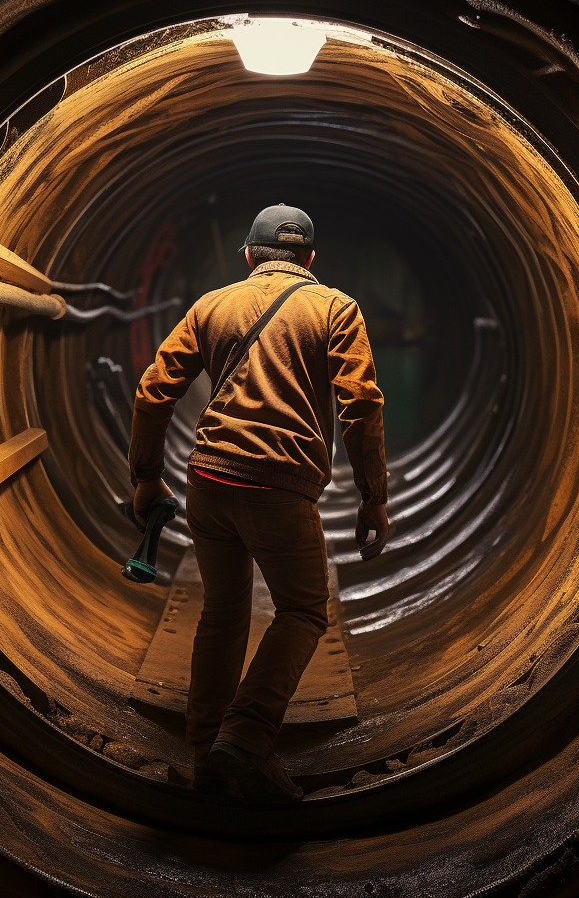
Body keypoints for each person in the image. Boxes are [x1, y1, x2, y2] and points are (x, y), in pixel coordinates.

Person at [128, 203, 389, 803]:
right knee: (302, 612)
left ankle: (202, 752)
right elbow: (360, 404)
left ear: (248, 255)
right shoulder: (335, 309)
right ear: (310, 259)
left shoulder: (210, 306)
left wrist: (145, 478)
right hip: (280, 485)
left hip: (208, 480)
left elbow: (152, 393)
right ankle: (244, 739)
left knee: (223, 611)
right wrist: (373, 496)